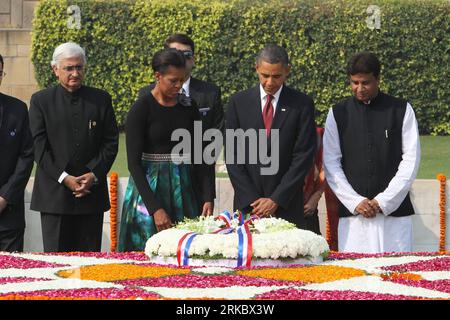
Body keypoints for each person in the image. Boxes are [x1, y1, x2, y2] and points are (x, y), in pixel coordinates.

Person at [323, 51, 421, 253]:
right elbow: (331, 162)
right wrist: (355, 201)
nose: (359, 89)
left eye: (365, 83)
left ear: (378, 79)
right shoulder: (337, 113)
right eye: (354, 83)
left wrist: (383, 202)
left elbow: (411, 159)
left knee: (400, 275)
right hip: (353, 218)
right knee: (356, 279)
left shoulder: (401, 109)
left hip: (394, 217)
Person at [118, 48, 214, 251]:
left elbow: (201, 154)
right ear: (157, 76)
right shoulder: (141, 108)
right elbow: (133, 165)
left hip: (185, 189)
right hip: (149, 192)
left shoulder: (189, 107)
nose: (179, 86)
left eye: (182, 80)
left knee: (186, 250)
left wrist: (207, 196)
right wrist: (155, 209)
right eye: (173, 81)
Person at [29, 42, 119, 252]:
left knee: (89, 267)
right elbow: (39, 148)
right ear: (55, 70)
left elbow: (110, 142)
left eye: (79, 67)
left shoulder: (100, 99)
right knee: (56, 265)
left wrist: (94, 174)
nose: (75, 73)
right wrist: (65, 178)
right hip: (54, 197)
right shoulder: (41, 101)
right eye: (69, 68)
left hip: (91, 195)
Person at [225, 44, 316, 228]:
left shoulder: (302, 104)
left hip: (286, 206)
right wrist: (253, 201)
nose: (270, 82)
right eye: (265, 75)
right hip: (249, 207)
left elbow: (303, 157)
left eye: (277, 76)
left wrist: (276, 199)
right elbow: (233, 156)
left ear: (287, 71)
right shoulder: (238, 103)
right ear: (256, 68)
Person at [138, 34, 223, 216]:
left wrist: (208, 194)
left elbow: (208, 146)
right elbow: (135, 160)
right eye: (175, 53)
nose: (181, 59)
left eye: (186, 54)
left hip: (192, 186)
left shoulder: (204, 96)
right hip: (153, 188)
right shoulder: (144, 100)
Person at [0, 53, 34, 252]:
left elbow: (26, 156)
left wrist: (5, 197)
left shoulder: (18, 109)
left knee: (12, 278)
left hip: (9, 215)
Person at [303, 127, 326, 235]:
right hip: (277, 207)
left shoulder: (317, 134)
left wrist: (316, 197)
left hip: (308, 206)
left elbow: (325, 168)